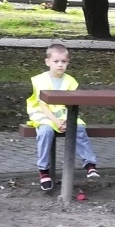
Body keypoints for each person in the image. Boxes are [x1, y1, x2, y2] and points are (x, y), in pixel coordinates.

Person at [25, 42, 99, 193]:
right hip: (43, 115)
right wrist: (55, 121)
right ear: (47, 62)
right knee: (45, 132)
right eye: (56, 61)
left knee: (78, 128)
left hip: (64, 115)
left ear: (68, 62)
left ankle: (90, 164)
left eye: (63, 61)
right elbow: (43, 105)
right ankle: (44, 171)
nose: (60, 65)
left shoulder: (71, 81)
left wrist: (66, 120)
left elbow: (71, 104)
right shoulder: (39, 80)